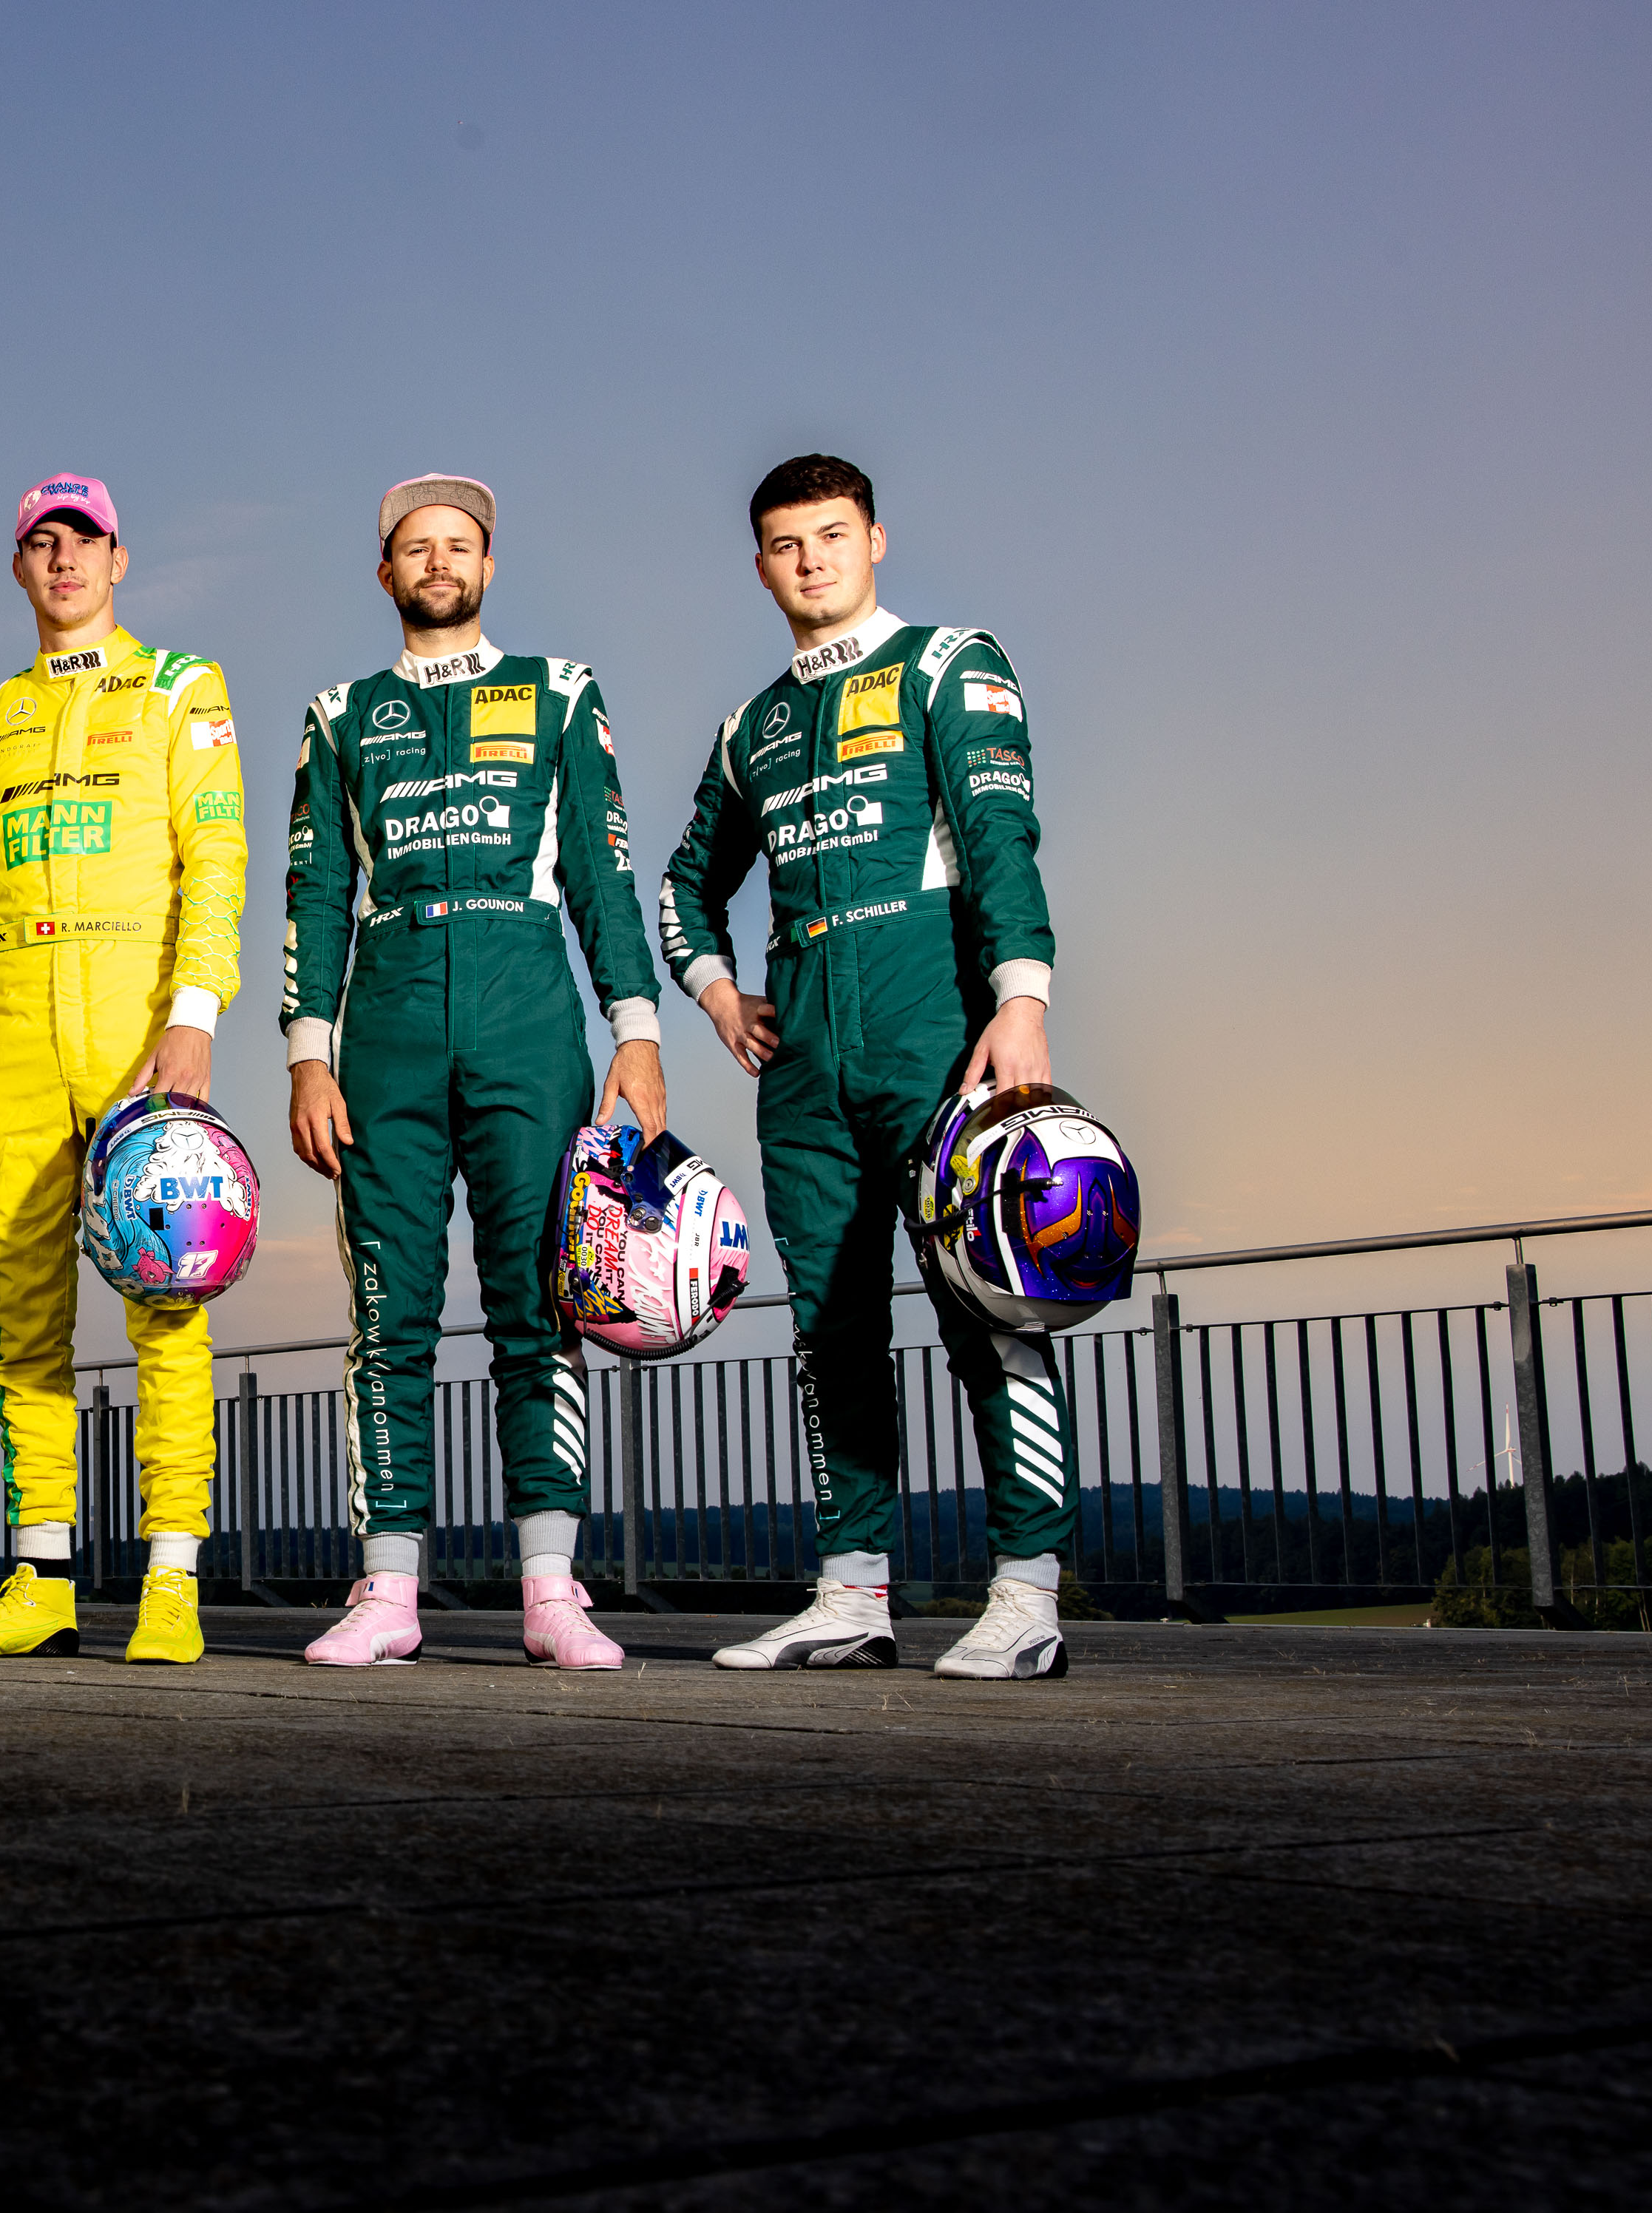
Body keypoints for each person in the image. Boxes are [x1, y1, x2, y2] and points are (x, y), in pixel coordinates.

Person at [656, 454, 1072, 1681]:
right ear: (761, 566)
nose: (812, 561)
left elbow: (1000, 836)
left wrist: (1023, 998)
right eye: (788, 544)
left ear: (875, 540)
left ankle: (1029, 1592)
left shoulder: (950, 664)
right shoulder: (752, 728)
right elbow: (683, 889)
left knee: (990, 1303)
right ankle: (850, 1593)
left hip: (937, 1035)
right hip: (805, 1073)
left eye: (833, 535)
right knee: (830, 1330)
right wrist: (718, 992)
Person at [282, 476, 668, 1670]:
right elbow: (316, 890)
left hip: (525, 1005)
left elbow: (604, 873)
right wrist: (308, 1056)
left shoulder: (559, 691)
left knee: (540, 1301)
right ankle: (389, 1587)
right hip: (387, 1018)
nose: (438, 561)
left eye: (458, 544)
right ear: (386, 573)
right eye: (416, 547)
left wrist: (638, 1033)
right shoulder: (340, 714)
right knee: (386, 1309)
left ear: (488, 566)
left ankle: (551, 1589)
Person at [0, 475, 248, 1664]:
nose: (63, 560)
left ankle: (172, 1581)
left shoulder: (180, 686)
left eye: (84, 541)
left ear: (120, 559)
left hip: (138, 1029)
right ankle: (42, 1580)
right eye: (42, 543)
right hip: (11, 1030)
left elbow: (217, 856)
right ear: (19, 566)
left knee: (169, 1294)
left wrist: (195, 1014)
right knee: (27, 1318)